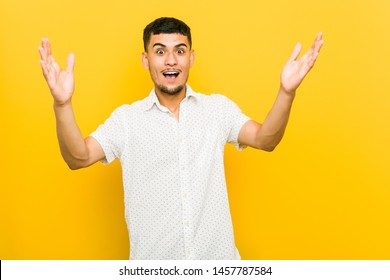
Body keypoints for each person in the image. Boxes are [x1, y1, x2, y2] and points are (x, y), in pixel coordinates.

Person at [38, 17, 324, 260]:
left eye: (180, 50)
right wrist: (62, 105)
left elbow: (265, 139)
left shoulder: (218, 110)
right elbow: (79, 157)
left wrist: (287, 92)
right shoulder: (126, 120)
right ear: (145, 59)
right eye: (160, 51)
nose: (171, 60)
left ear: (191, 57)